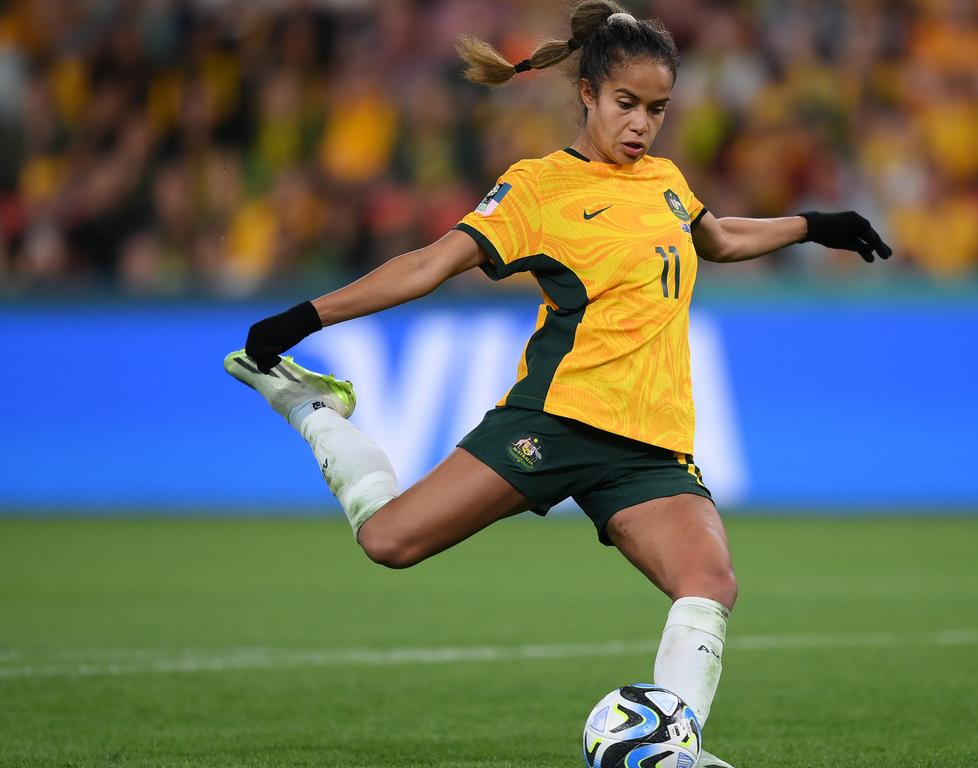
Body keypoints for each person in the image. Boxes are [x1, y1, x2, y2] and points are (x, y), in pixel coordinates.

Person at [224, 3, 892, 766]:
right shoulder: (537, 188)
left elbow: (721, 238)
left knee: (709, 581)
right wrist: (308, 316)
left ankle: (670, 752)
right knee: (388, 540)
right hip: (556, 423)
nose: (643, 125)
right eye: (627, 105)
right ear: (587, 93)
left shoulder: (665, 181)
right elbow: (429, 264)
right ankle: (313, 407)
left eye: (659, 110)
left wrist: (811, 224)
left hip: (650, 448)